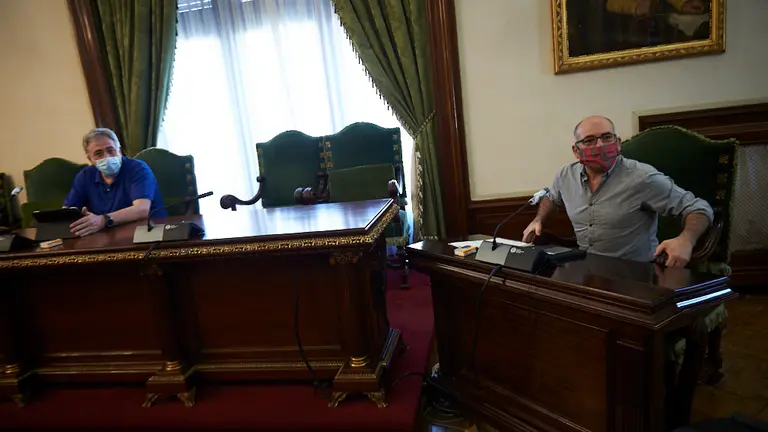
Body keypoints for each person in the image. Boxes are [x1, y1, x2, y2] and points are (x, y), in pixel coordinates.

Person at [522, 115, 713, 268]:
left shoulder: (643, 178)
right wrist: (539, 219)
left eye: (606, 138)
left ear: (618, 142)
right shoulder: (565, 175)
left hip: (636, 273)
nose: (600, 146)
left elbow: (699, 208)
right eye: (589, 140)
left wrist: (686, 240)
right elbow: (551, 198)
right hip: (585, 268)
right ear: (576, 151)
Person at [63, 128, 166, 237]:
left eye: (111, 150)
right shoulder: (85, 176)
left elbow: (142, 209)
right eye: (98, 153)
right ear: (90, 159)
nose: (106, 157)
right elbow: (66, 212)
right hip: (107, 236)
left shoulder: (138, 169)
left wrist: (103, 220)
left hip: (147, 232)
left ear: (119, 151)